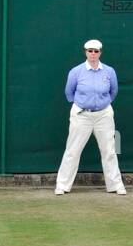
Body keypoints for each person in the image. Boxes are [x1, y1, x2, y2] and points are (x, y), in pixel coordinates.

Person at [54, 40, 126, 196]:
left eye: (96, 51)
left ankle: (115, 185)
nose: (93, 54)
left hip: (104, 115)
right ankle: (62, 185)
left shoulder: (109, 71)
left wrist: (101, 105)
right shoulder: (76, 72)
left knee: (109, 150)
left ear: (100, 52)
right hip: (81, 115)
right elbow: (69, 93)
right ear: (85, 52)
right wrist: (83, 105)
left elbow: (113, 92)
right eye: (90, 51)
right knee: (72, 150)